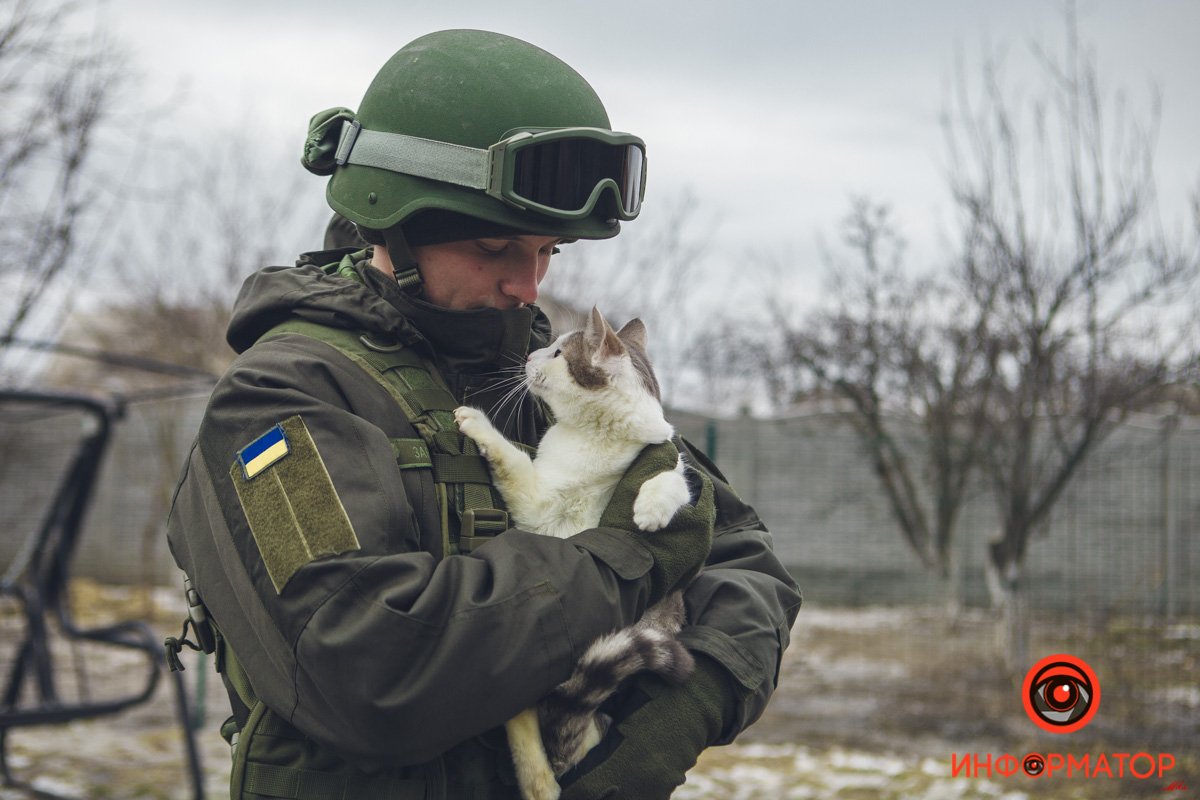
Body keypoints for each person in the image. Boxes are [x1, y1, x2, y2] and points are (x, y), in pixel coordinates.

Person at [166, 29, 801, 800]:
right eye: (495, 246)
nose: (528, 287)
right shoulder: (287, 394)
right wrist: (621, 562)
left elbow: (742, 561)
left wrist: (673, 719)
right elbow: (375, 671)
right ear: (393, 226)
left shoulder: (544, 379)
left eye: (550, 252)